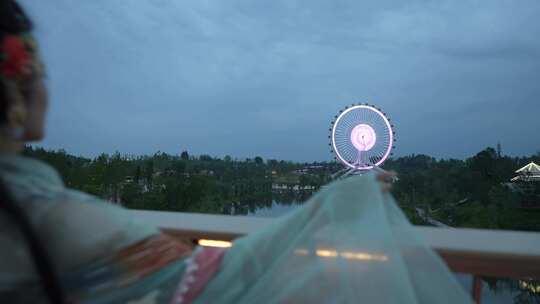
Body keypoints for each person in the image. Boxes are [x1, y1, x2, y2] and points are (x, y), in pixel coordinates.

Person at [0, 1, 472, 303]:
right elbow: (218, 276)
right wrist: (340, 203)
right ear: (17, 90)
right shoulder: (49, 217)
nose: (47, 84)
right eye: (39, 68)